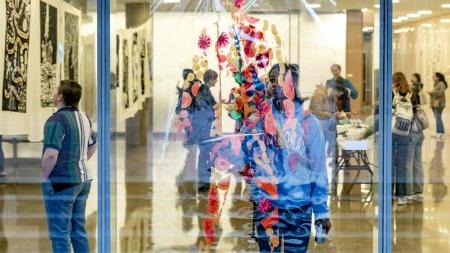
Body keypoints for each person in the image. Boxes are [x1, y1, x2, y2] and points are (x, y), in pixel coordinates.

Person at [253, 63, 331, 252]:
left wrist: (321, 211)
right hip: (267, 207)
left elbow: (319, 169)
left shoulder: (307, 122)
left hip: (299, 208)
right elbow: (248, 162)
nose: (275, 84)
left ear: (293, 83)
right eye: (272, 80)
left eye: (280, 79)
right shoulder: (260, 121)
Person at [42, 80, 97, 252]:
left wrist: (44, 176)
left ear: (60, 97)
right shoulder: (85, 118)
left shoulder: (56, 120)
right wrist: (77, 161)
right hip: (83, 180)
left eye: (55, 91)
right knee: (78, 230)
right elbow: (93, 145)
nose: (52, 93)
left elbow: (51, 155)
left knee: (60, 235)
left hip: (62, 182)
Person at [192, 69, 218, 192]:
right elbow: (205, 109)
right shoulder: (204, 91)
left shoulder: (205, 90)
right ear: (210, 79)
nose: (216, 81)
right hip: (202, 128)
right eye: (215, 79)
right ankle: (203, 181)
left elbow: (212, 105)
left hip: (204, 127)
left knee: (205, 153)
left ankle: (205, 179)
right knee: (204, 153)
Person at [392, 72, 414, 205]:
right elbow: (415, 112)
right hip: (406, 133)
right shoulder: (411, 94)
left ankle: (389, 195)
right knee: (401, 165)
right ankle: (401, 196)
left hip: (392, 131)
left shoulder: (391, 93)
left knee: (390, 164)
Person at [407, 91, 424, 202]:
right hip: (419, 134)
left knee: (407, 164)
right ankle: (418, 191)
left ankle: (409, 192)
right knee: (417, 163)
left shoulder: (405, 108)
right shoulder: (417, 109)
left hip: (410, 135)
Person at [428, 72, 447, 139]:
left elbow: (441, 92)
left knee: (438, 117)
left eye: (434, 76)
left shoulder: (441, 84)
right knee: (437, 118)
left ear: (438, 77)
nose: (433, 78)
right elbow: (435, 94)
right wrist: (430, 93)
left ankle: (440, 132)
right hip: (435, 103)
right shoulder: (436, 84)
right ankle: (439, 132)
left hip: (439, 104)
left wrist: (431, 92)